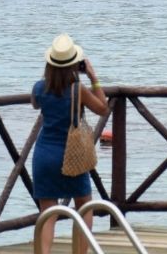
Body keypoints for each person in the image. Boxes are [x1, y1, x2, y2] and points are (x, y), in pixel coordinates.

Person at [31, 34, 108, 254]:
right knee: (84, 207)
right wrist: (93, 77)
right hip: (71, 155)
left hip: (44, 154)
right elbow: (103, 108)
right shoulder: (78, 89)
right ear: (75, 64)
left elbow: (35, 103)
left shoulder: (39, 87)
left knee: (48, 213)